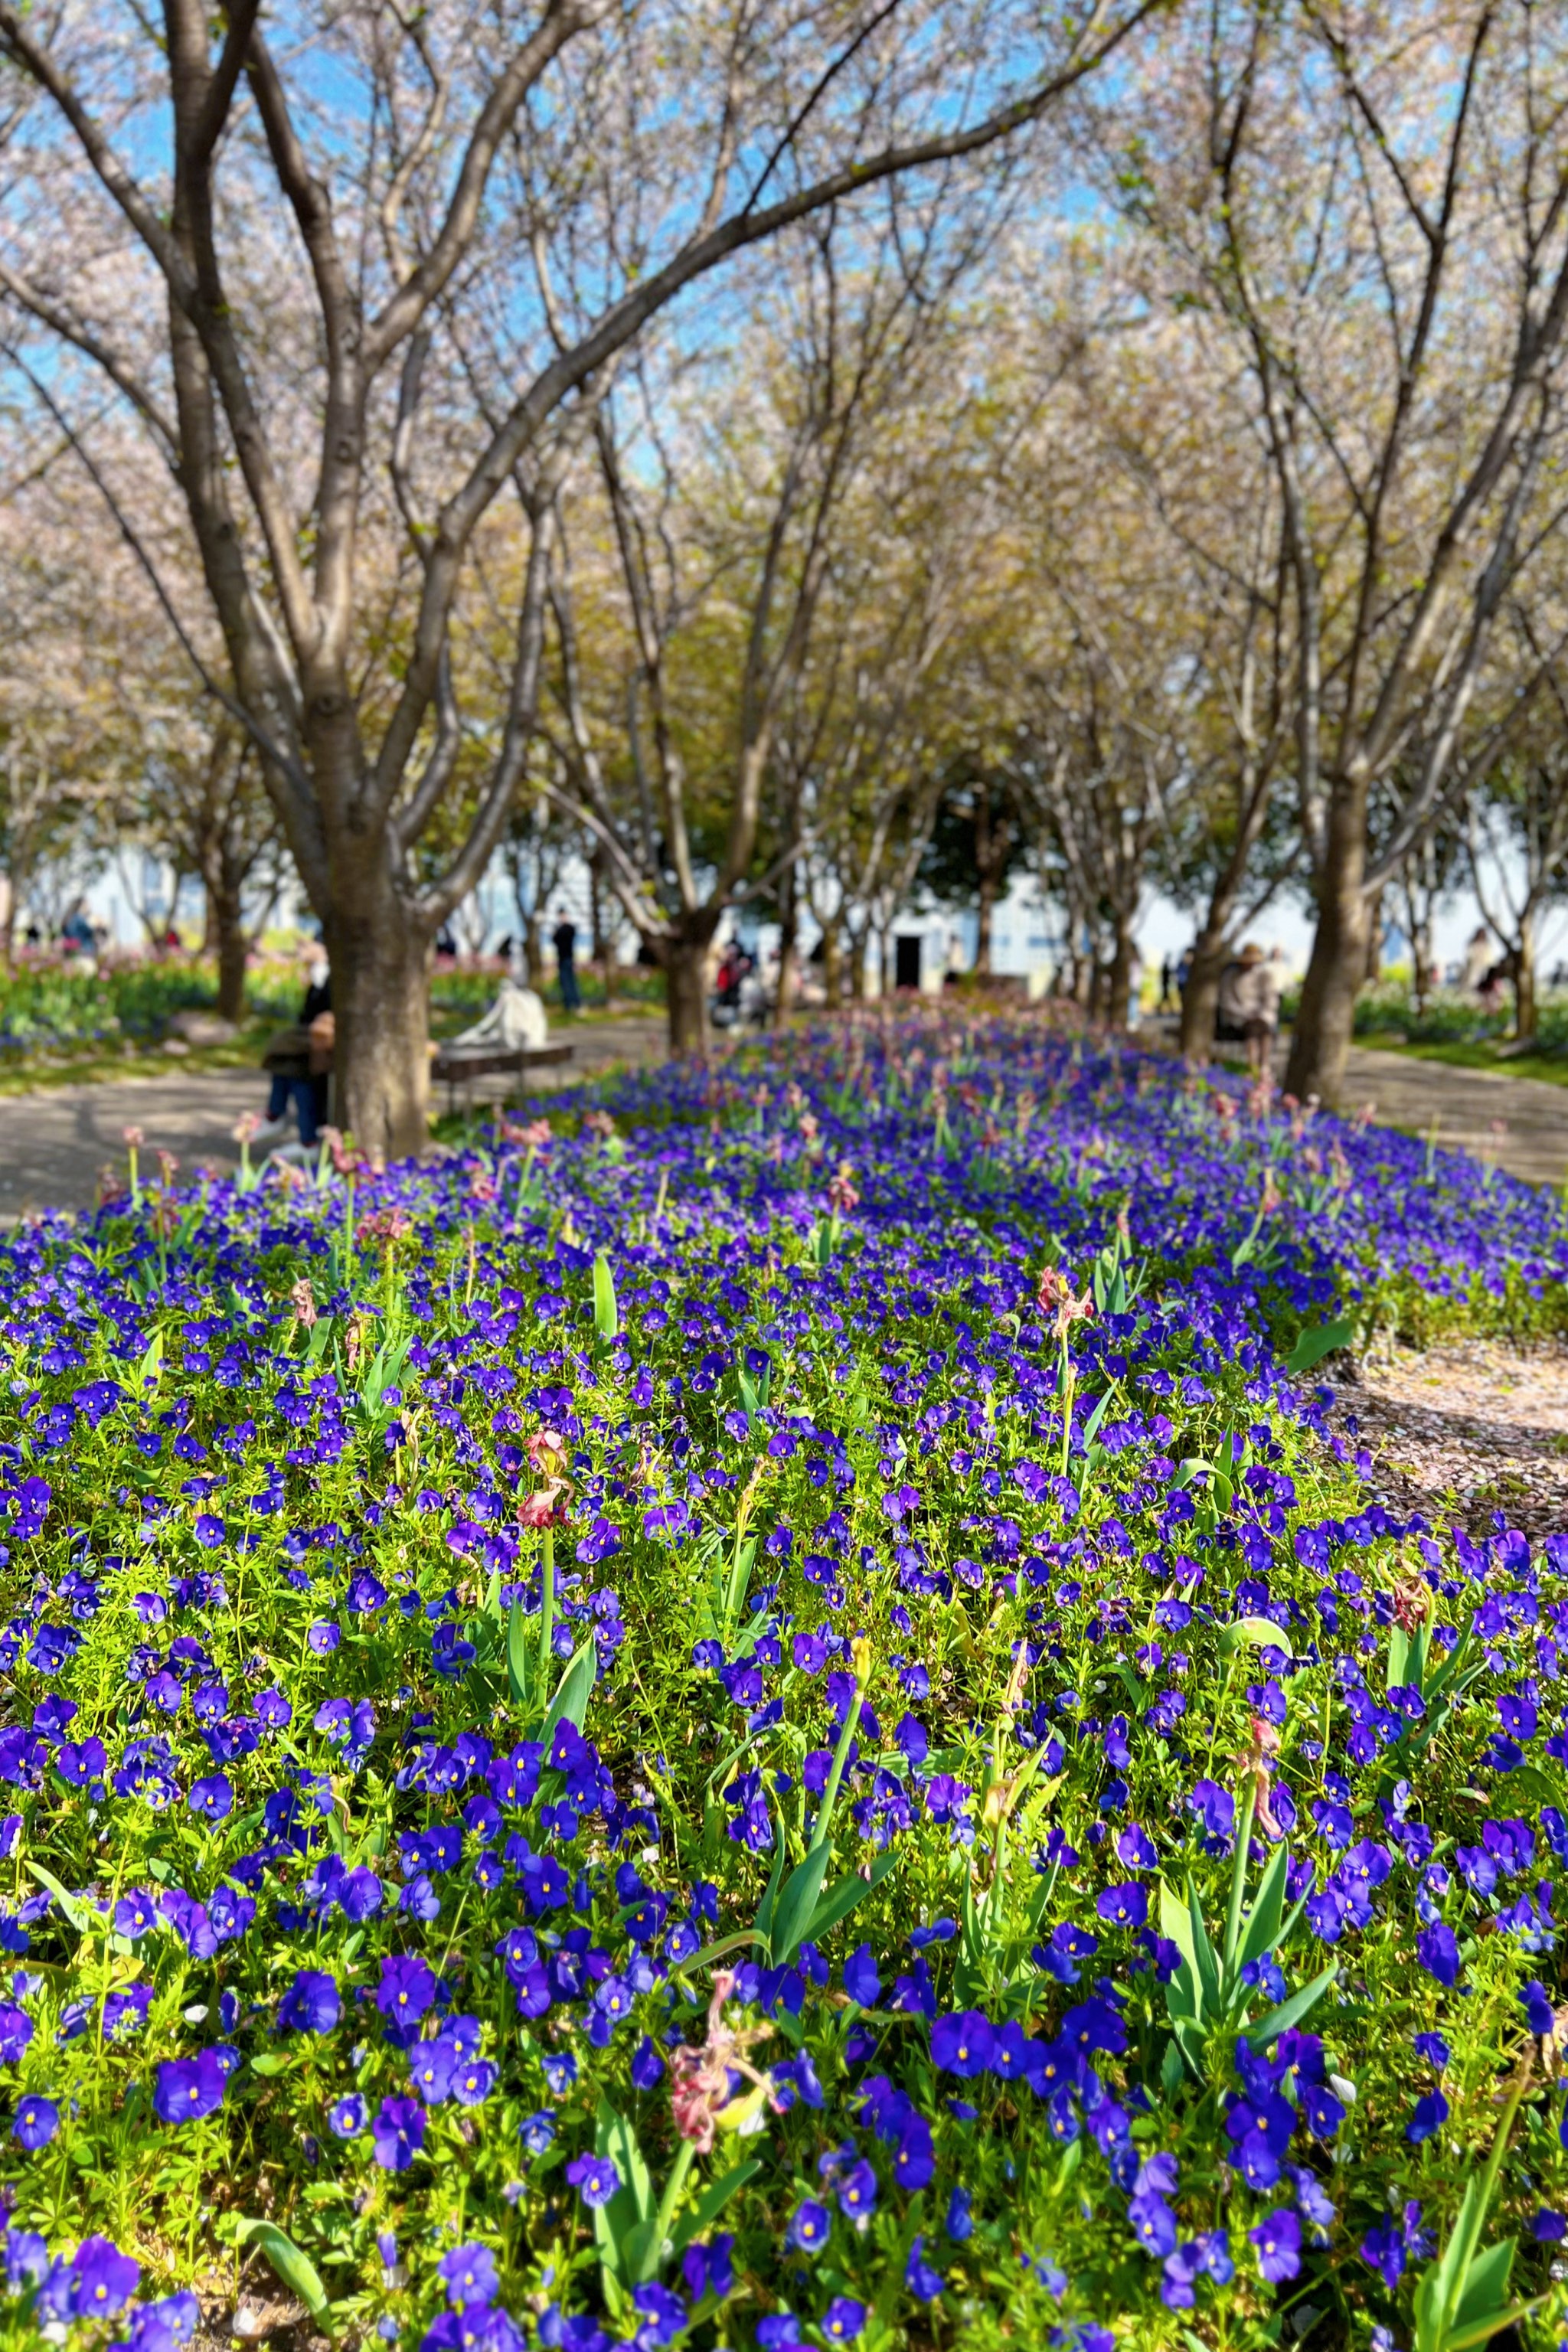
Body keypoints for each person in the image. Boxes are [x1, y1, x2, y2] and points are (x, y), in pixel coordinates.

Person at [256, 942, 333, 1148]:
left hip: (327, 1047)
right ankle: (281, 1120)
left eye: (305, 945)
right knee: (286, 1066)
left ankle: (293, 1129)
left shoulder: (330, 978)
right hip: (316, 1045)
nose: (300, 951)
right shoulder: (318, 978)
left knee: (296, 1073)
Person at [552, 911, 580, 1013]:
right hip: (562, 959)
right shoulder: (559, 929)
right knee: (564, 983)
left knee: (570, 982)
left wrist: (557, 931)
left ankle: (575, 1003)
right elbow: (555, 940)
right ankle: (568, 1004)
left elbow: (561, 937)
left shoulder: (569, 928)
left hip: (568, 959)